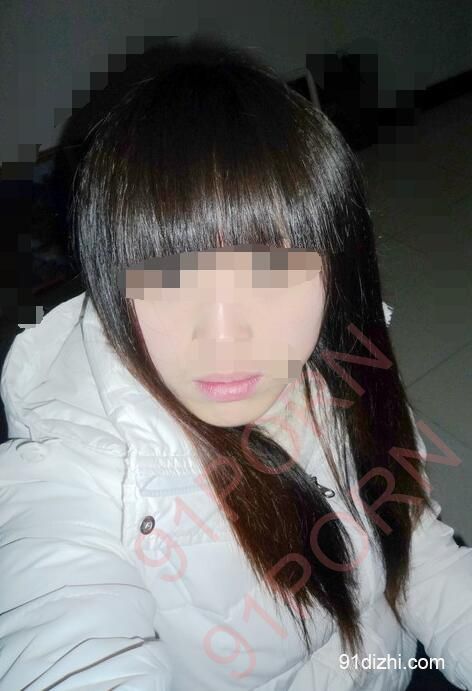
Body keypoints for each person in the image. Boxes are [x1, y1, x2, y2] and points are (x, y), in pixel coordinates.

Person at [0, 33, 471, 691]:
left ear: (336, 271)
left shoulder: (340, 361)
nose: (223, 337)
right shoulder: (71, 470)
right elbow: (57, 633)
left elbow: (415, 549)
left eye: (271, 271)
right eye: (169, 277)